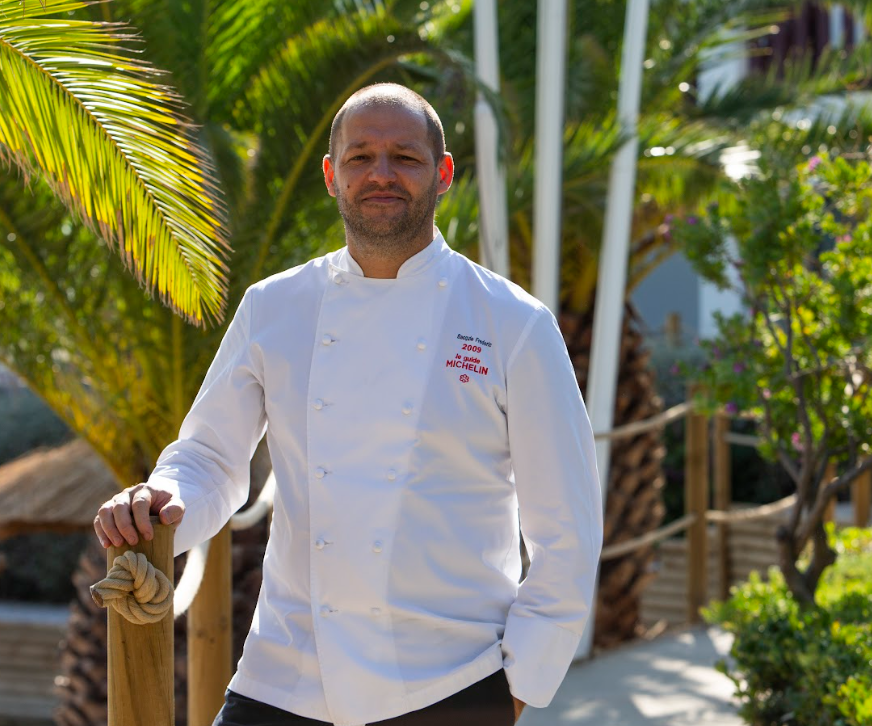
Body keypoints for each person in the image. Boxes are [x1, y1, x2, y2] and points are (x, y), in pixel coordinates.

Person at [95, 83, 603, 726]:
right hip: (285, 676)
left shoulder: (513, 322)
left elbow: (567, 529)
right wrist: (161, 501)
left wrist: (518, 686)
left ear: (443, 174)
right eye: (360, 157)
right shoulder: (273, 306)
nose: (381, 174)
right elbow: (209, 458)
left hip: (450, 682)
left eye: (405, 157)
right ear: (332, 176)